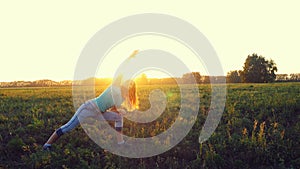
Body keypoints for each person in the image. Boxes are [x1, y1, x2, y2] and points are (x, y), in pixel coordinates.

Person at [42, 79, 138, 150]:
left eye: (130, 86)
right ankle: (47, 145)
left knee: (118, 117)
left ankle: (120, 143)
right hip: (88, 108)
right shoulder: (114, 87)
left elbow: (114, 109)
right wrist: (130, 57)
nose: (127, 86)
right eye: (127, 83)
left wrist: (120, 111)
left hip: (100, 113)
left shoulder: (122, 98)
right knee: (68, 127)